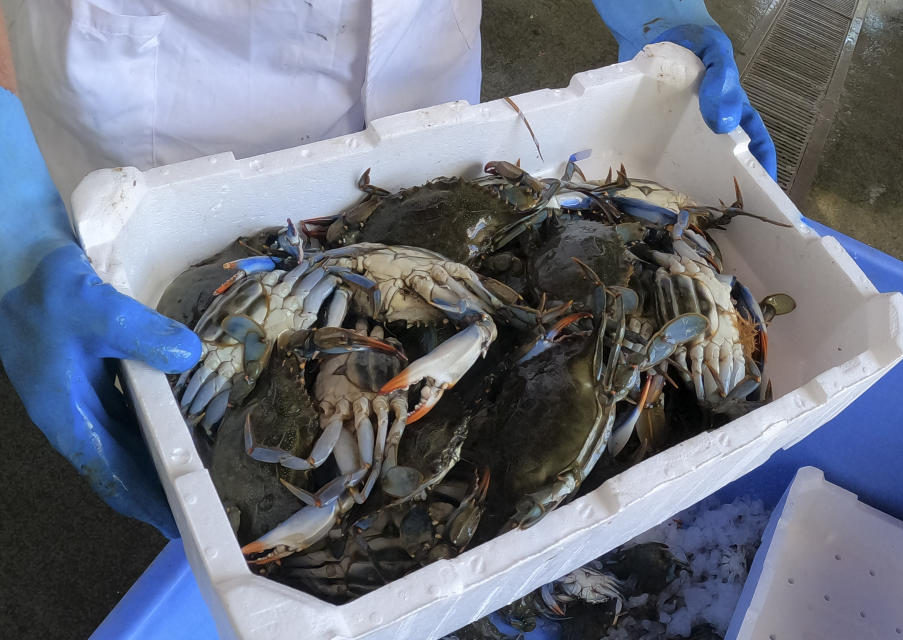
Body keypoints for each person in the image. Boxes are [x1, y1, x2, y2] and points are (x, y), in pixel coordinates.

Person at [0, 0, 776, 540]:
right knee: (197, 417)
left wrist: (662, 10)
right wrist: (14, 228)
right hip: (154, 142)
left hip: (423, 99)